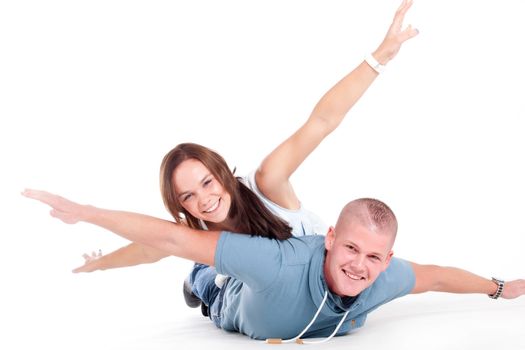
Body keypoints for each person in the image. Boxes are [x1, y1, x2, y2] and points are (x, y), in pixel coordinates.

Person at [66, 0, 420, 317]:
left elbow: (321, 122)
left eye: (207, 182)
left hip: (305, 283)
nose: (203, 200)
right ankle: (198, 278)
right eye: (187, 196)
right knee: (211, 280)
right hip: (244, 290)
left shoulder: (267, 183)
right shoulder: (195, 229)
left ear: (222, 173)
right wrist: (99, 265)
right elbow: (147, 249)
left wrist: (379, 57)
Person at [21, 191, 525, 343]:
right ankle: (200, 284)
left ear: (387, 259)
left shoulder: (386, 276)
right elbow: (175, 236)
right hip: (228, 298)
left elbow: (436, 275)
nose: (359, 265)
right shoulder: (278, 263)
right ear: (330, 239)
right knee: (203, 277)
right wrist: (89, 214)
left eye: (374, 256)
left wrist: (503, 288)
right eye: (350, 249)